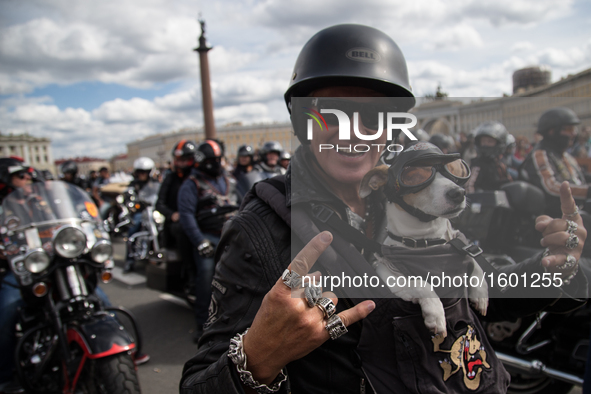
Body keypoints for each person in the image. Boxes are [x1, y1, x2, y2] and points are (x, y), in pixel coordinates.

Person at [180, 24, 587, 394]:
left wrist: (552, 270)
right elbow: (199, 383)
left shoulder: (420, 194)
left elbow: (472, 293)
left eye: (372, 116)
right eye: (331, 113)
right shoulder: (261, 228)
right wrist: (257, 358)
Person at [177, 140, 239, 343]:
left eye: (218, 159)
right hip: (208, 236)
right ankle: (203, 324)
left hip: (233, 233)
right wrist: (200, 241)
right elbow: (186, 215)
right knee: (206, 274)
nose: (216, 163)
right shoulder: (191, 184)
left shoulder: (229, 179)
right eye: (212, 160)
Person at [519, 107, 588, 219]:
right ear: (552, 131)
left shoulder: (564, 155)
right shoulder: (540, 154)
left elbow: (580, 178)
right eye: (569, 129)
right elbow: (551, 187)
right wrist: (587, 191)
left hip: (575, 209)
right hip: (556, 217)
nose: (574, 134)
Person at [155, 140, 196, 255]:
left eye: (183, 160)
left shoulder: (199, 178)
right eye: (178, 160)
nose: (180, 163)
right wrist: (172, 214)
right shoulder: (170, 179)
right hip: (179, 223)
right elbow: (159, 204)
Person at [123, 157, 160, 273]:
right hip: (141, 212)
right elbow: (128, 197)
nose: (142, 174)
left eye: (145, 172)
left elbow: (160, 194)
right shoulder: (133, 185)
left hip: (153, 211)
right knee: (133, 229)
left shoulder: (154, 184)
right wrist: (133, 203)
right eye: (140, 172)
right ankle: (129, 260)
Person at [465, 121, 513, 193]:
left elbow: (508, 185)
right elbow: (470, 187)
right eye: (483, 141)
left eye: (490, 141)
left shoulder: (501, 163)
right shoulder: (477, 164)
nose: (485, 144)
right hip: (483, 202)